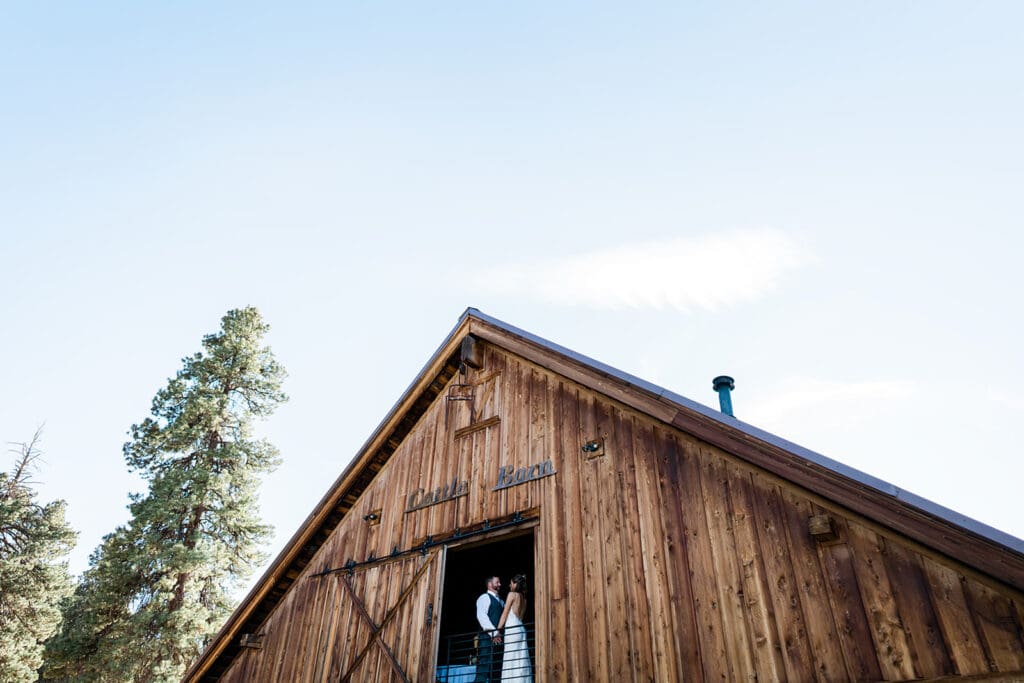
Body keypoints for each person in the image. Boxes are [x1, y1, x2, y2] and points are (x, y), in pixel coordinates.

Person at [496, 574, 532, 683]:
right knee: (520, 659)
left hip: (512, 629)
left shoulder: (512, 595)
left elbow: (505, 613)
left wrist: (497, 630)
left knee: (510, 657)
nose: (509, 585)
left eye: (511, 583)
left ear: (515, 584)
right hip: (521, 628)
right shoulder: (524, 599)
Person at [473, 575, 504, 682]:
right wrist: (494, 633)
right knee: (484, 667)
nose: (500, 584)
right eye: (497, 582)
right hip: (486, 639)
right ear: (490, 584)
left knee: (496, 668)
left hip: (499, 639)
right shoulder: (484, 598)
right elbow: (482, 617)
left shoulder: (501, 601)